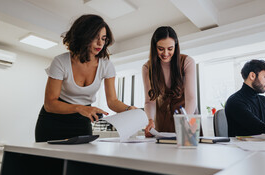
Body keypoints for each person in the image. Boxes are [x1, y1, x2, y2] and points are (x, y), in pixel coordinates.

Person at [35, 14, 136, 142]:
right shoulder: (61, 62)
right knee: (48, 162)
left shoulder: (106, 65)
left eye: (104, 39)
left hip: (82, 122)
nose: (100, 43)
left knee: (78, 161)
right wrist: (79, 108)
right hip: (53, 120)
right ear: (83, 36)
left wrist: (129, 109)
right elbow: (50, 104)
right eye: (95, 37)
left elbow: (112, 101)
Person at [142, 26, 196, 137]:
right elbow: (149, 101)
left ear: (175, 47)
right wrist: (150, 120)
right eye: (161, 49)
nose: (165, 53)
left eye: (170, 49)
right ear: (154, 47)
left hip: (186, 115)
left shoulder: (187, 62)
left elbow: (191, 98)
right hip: (162, 119)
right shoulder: (147, 68)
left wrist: (185, 120)